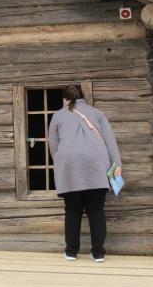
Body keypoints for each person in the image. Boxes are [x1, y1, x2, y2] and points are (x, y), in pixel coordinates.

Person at [48, 84, 122, 262]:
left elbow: (53, 147)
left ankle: (71, 252)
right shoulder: (97, 113)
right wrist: (117, 165)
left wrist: (61, 164)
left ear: (65, 99)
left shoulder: (58, 115)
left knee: (72, 210)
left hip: (70, 168)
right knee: (96, 210)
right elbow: (111, 142)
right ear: (83, 96)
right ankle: (98, 253)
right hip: (97, 166)